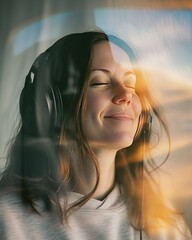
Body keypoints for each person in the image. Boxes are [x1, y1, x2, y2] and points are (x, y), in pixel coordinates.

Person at [0, 31, 191, 240]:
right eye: (100, 82)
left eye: (131, 84)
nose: (126, 95)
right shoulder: (6, 221)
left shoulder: (167, 227)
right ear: (51, 106)